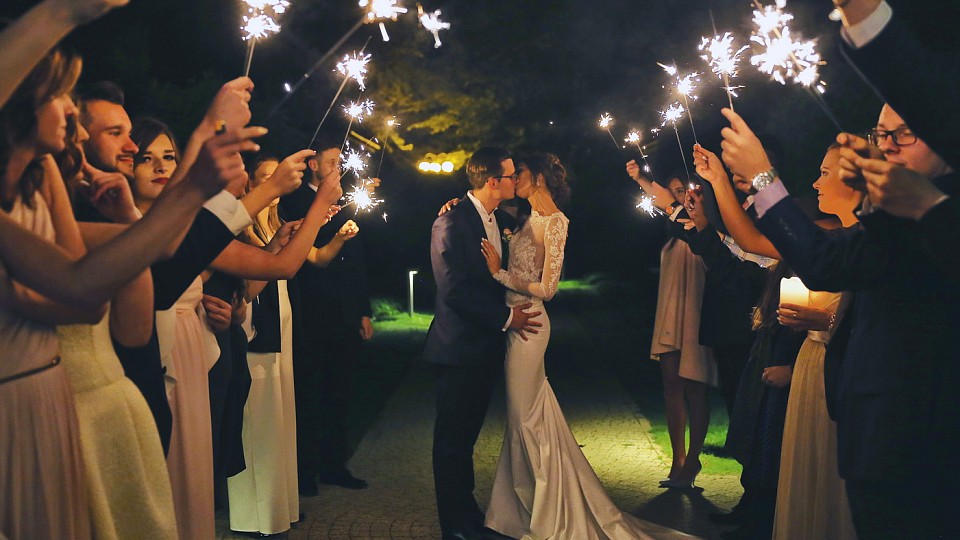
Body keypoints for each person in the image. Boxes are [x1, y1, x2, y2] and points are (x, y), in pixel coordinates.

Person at [719, 104, 959, 539]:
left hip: (916, 441)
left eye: (901, 134)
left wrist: (763, 177)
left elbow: (824, 260)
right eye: (880, 134)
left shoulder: (931, 223)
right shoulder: (894, 221)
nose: (885, 146)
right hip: (876, 433)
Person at [482, 154, 694, 539]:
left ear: (540, 179)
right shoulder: (526, 219)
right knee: (524, 418)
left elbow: (548, 288)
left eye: (521, 175)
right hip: (514, 326)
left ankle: (547, 511)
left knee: (527, 420)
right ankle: (521, 508)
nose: (514, 180)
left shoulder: (556, 223)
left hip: (530, 324)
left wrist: (499, 272)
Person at [423, 147, 542, 540]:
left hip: (481, 348)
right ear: (494, 181)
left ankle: (468, 517)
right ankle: (454, 527)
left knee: (466, 438)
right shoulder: (453, 223)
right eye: (510, 176)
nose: (514, 180)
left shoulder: (494, 218)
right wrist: (507, 319)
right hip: (458, 349)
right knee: (452, 441)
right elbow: (454, 289)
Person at [279, 138, 373, 494]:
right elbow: (310, 256)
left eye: (340, 161)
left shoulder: (346, 200)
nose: (338, 167)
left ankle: (335, 465)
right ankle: (305, 471)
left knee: (341, 391)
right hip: (312, 309)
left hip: (345, 312)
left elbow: (357, 259)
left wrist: (363, 310)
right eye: (332, 161)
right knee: (309, 392)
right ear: (314, 164)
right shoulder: (296, 201)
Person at [624, 163, 717, 489]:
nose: (678, 198)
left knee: (695, 386)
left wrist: (642, 180)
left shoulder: (704, 235)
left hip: (696, 318)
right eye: (674, 191)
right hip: (670, 318)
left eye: (683, 191)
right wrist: (640, 178)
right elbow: (661, 201)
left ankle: (693, 460)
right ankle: (677, 459)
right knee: (671, 387)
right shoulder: (672, 240)